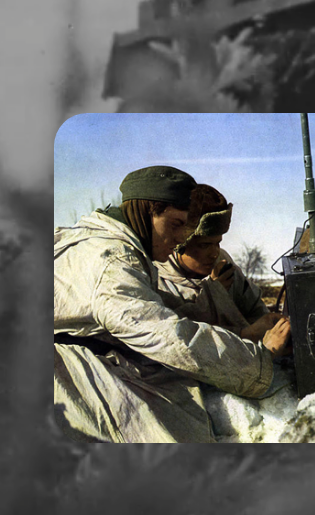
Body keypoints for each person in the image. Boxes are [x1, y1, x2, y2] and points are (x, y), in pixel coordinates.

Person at [53, 165, 292, 442]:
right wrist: (258, 359)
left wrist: (247, 334)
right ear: (146, 212)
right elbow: (170, 339)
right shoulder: (114, 261)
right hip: (73, 369)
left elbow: (161, 318)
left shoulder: (98, 240)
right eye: (176, 224)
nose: (181, 238)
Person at [156, 183, 278, 341]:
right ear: (180, 244)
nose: (214, 253)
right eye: (204, 245)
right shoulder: (158, 281)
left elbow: (255, 311)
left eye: (217, 243)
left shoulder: (223, 264)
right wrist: (213, 296)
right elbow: (180, 339)